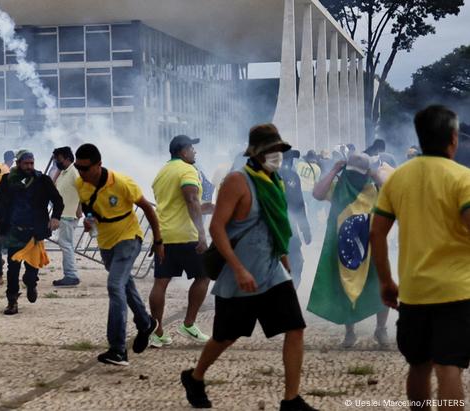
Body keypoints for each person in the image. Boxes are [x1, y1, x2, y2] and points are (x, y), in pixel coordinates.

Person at [181, 124, 315, 411]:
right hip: (239, 276)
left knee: (295, 328)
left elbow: (276, 227)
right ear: (255, 152)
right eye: (271, 150)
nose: (277, 155)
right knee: (225, 337)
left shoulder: (275, 181)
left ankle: (291, 400)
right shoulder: (237, 181)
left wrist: (285, 261)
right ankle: (195, 377)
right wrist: (239, 269)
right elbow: (217, 228)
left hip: (272, 271)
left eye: (279, 150)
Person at [371, 105, 470, 411]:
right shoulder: (463, 178)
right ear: (453, 139)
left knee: (418, 366)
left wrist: (386, 281)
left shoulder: (398, 179)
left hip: (413, 291)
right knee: (449, 368)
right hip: (457, 291)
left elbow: (377, 234)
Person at [74, 143, 162, 366]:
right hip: (106, 242)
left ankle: (117, 349)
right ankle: (145, 323)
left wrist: (158, 240)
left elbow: (147, 208)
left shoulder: (122, 183)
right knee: (125, 284)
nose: (81, 173)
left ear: (98, 165)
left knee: (114, 285)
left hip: (129, 237)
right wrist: (88, 221)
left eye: (85, 168)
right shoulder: (80, 183)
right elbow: (89, 209)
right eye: (78, 167)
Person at [308, 153, 389, 349]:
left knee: (380, 286)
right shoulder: (339, 187)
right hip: (344, 245)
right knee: (345, 284)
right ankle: (350, 332)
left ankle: (381, 329)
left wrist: (375, 174)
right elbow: (317, 194)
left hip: (371, 247)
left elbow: (393, 193)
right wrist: (334, 170)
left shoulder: (373, 188)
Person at [149, 135, 212, 348]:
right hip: (186, 236)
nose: (194, 152)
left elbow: (177, 204)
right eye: (192, 148)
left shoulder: (162, 173)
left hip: (164, 236)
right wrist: (202, 234)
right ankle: (188, 324)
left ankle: (157, 333)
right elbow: (190, 199)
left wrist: (210, 208)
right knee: (204, 277)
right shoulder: (187, 170)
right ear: (182, 152)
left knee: (160, 282)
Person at [0, 150, 63, 315]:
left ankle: (31, 284)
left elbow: (57, 200)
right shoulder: (8, 180)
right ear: (18, 163)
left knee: (30, 272)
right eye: (26, 163)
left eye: (32, 163)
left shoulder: (42, 180)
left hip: (34, 233)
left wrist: (55, 217)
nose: (29, 166)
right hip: (14, 231)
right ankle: (12, 302)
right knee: (12, 269)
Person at [51, 146, 82, 288]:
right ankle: (70, 274)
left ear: (67, 158)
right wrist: (58, 169)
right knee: (65, 244)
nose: (56, 161)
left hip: (69, 214)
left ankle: (71, 275)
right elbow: (53, 185)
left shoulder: (74, 173)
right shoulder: (64, 172)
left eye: (58, 158)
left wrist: (79, 210)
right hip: (63, 214)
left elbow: (84, 191)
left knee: (66, 244)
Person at [281, 150, 312, 288]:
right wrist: (305, 230)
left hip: (288, 228)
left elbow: (298, 204)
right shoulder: (290, 176)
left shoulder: (292, 176)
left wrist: (305, 229)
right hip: (282, 229)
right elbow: (298, 204)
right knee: (295, 263)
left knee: (295, 263)